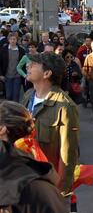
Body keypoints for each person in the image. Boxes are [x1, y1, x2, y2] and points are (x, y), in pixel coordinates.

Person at [0, 101, 79, 213]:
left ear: (2, 130)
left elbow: (68, 151)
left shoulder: (34, 189)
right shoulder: (29, 96)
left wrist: (64, 188)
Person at [21, 53, 79, 196]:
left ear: (47, 73)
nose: (28, 66)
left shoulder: (65, 107)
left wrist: (62, 192)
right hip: (23, 178)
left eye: (34, 64)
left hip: (46, 185)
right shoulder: (28, 95)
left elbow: (68, 155)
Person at [0, 33, 26, 102]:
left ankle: (15, 111)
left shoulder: (21, 50)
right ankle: (9, 109)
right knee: (8, 95)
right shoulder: (3, 50)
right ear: (8, 40)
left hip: (17, 76)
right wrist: (1, 74)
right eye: (11, 39)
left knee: (16, 95)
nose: (12, 41)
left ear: (17, 40)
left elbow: (24, 63)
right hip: (7, 75)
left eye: (14, 39)